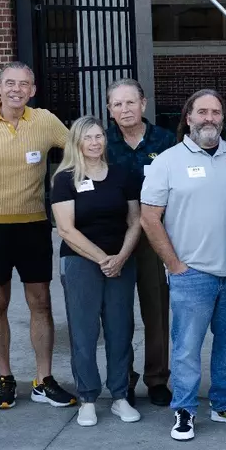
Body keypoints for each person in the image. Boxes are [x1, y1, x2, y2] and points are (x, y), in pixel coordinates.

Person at [139, 88, 226, 442]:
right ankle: (185, 410)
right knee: (187, 348)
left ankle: (224, 404)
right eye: (202, 112)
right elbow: (149, 218)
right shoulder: (167, 161)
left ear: (224, 119)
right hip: (191, 273)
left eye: (216, 112)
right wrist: (174, 264)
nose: (209, 118)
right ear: (188, 117)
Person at [0, 62, 73, 410]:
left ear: (33, 90)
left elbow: (81, 150)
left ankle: (44, 379)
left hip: (33, 225)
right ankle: (5, 377)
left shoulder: (45, 121)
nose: (16, 90)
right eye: (10, 83)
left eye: (24, 84)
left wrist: (69, 188)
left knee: (41, 303)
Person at [50, 117, 143, 426]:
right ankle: (87, 398)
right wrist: (104, 259)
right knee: (84, 331)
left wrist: (121, 257)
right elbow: (66, 229)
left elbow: (135, 220)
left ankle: (119, 396)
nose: (94, 142)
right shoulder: (65, 179)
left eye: (99, 136)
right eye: (87, 137)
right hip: (81, 262)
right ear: (76, 142)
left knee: (120, 329)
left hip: (121, 260)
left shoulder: (122, 174)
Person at [106, 78, 176, 407]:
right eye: (118, 104)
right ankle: (124, 380)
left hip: (153, 235)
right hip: (113, 237)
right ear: (110, 110)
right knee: (118, 314)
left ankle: (157, 378)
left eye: (130, 102)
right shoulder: (102, 142)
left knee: (156, 310)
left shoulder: (165, 140)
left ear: (143, 104)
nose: (125, 109)